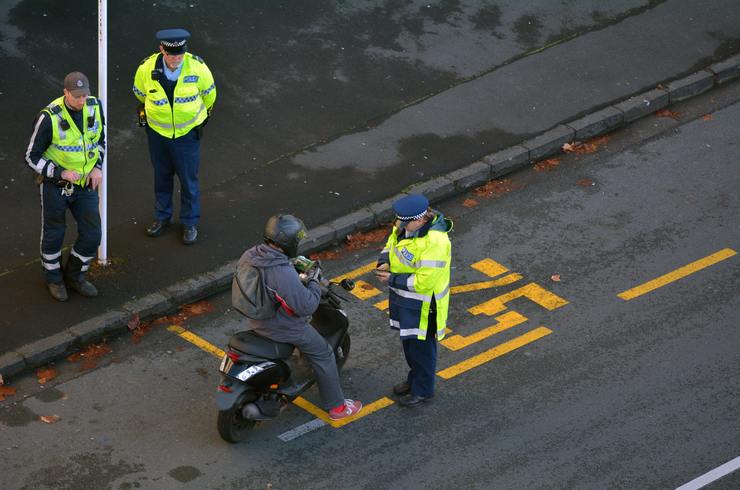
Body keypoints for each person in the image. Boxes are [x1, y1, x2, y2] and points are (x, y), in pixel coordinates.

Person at [238, 214, 363, 420]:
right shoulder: (280, 272)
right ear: (288, 242)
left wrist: (292, 265)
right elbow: (306, 306)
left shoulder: (252, 255)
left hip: (257, 317)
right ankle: (338, 408)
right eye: (296, 241)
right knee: (323, 353)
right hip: (280, 325)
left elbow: (274, 281)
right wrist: (313, 281)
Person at [24, 72, 106, 302]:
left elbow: (100, 141)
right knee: (54, 234)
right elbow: (31, 156)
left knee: (93, 234)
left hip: (84, 183)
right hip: (55, 186)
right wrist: (60, 172)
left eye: (85, 95)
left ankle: (75, 275)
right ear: (65, 93)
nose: (82, 101)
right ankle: (53, 279)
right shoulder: (49, 117)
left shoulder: (95, 107)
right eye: (77, 96)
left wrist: (97, 166)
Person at [133, 28, 216, 244]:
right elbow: (139, 93)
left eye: (180, 54)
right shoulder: (146, 68)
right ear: (162, 50)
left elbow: (210, 96)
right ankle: (162, 218)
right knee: (162, 177)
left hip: (187, 135)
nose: (176, 59)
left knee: (189, 181)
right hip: (158, 134)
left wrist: (195, 120)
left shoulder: (197, 67)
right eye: (172, 55)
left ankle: (189, 222)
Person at [375, 194, 452, 407]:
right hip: (405, 301)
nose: (400, 225)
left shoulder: (436, 242)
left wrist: (392, 279)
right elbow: (391, 245)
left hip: (424, 306)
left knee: (422, 351)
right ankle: (414, 380)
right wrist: (384, 262)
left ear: (420, 220)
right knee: (409, 347)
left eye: (405, 222)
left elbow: (425, 282)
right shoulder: (405, 226)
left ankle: (423, 390)